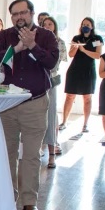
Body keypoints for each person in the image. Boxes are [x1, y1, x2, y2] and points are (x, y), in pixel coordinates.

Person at [0, 0, 59, 210]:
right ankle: (7, 197)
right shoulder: (3, 36)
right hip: (7, 104)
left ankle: (29, 202)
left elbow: (51, 63)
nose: (19, 17)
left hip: (35, 103)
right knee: (7, 152)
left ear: (31, 13)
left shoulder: (47, 36)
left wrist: (32, 46)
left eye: (23, 13)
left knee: (31, 155)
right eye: (15, 14)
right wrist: (18, 47)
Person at [61, 17, 104, 133]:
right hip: (75, 70)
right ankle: (64, 121)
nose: (85, 26)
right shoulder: (77, 38)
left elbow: (98, 55)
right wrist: (75, 48)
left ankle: (85, 124)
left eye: (88, 24)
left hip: (88, 71)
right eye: (83, 24)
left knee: (87, 98)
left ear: (92, 26)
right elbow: (70, 55)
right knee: (70, 96)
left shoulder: (97, 39)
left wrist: (84, 50)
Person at [40, 15, 66, 168]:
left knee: (50, 116)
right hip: (35, 82)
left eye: (50, 24)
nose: (48, 26)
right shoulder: (35, 41)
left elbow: (54, 64)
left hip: (50, 81)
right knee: (35, 117)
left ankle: (52, 155)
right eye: (45, 24)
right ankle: (35, 150)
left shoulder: (59, 43)